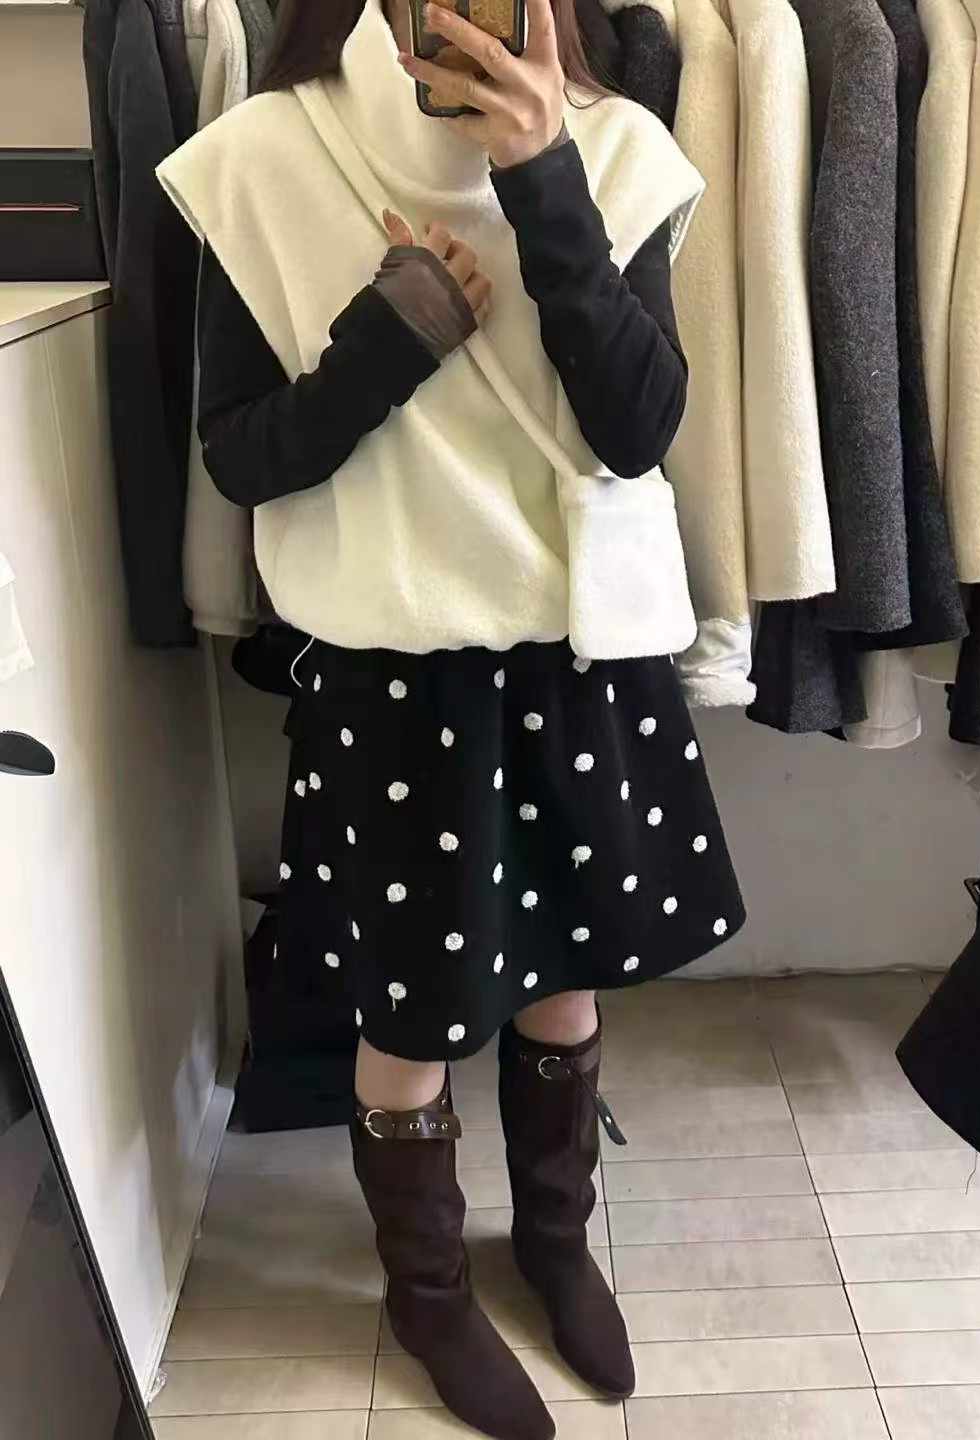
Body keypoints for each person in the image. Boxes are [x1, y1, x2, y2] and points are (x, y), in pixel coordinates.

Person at [159, 0, 744, 1432]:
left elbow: (638, 428)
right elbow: (241, 460)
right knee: (410, 1009)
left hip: (576, 652)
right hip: (394, 671)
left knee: (566, 974)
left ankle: (554, 1241)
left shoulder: (620, 149)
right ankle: (426, 1294)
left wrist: (546, 183)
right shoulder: (262, 159)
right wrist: (391, 336)